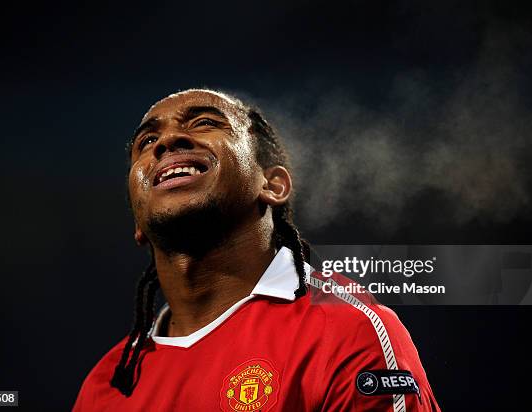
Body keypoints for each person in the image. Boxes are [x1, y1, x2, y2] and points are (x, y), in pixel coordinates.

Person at [73, 89, 441, 411]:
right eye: (147, 141)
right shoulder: (107, 384)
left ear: (273, 185)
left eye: (203, 122)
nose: (166, 142)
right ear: (138, 223)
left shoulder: (344, 330)